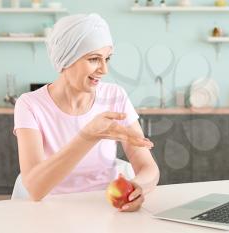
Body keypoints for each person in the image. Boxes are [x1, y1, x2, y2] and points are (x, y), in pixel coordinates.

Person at [14, 13, 160, 212]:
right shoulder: (30, 105)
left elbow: (148, 167)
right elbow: (35, 188)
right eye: (94, 59)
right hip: (50, 212)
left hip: (106, 208)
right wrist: (88, 136)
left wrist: (138, 187)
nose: (104, 69)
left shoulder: (114, 96)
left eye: (107, 58)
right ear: (65, 59)